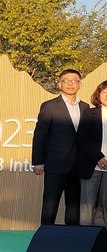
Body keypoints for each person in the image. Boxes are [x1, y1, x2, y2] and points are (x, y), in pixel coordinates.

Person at [32, 69, 88, 226]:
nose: (70, 83)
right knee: (50, 206)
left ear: (80, 84)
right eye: (66, 80)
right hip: (55, 164)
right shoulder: (49, 106)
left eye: (74, 80)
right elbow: (40, 135)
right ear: (59, 84)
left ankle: (70, 240)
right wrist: (38, 161)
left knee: (74, 207)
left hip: (78, 166)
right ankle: (45, 240)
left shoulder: (86, 107)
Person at [76, 80, 107, 227]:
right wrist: (98, 157)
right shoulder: (89, 113)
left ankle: (98, 241)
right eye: (104, 92)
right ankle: (84, 243)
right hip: (92, 166)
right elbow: (82, 139)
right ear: (98, 94)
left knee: (104, 205)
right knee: (87, 206)